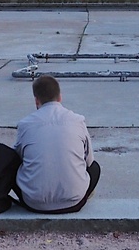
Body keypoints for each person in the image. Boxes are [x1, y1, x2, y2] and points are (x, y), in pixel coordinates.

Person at [12, 74, 100, 213]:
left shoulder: (25, 124)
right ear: (60, 97)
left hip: (33, 203)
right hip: (74, 202)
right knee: (95, 168)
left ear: (36, 100)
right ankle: (79, 192)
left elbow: (16, 158)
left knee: (12, 165)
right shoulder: (78, 120)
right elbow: (89, 162)